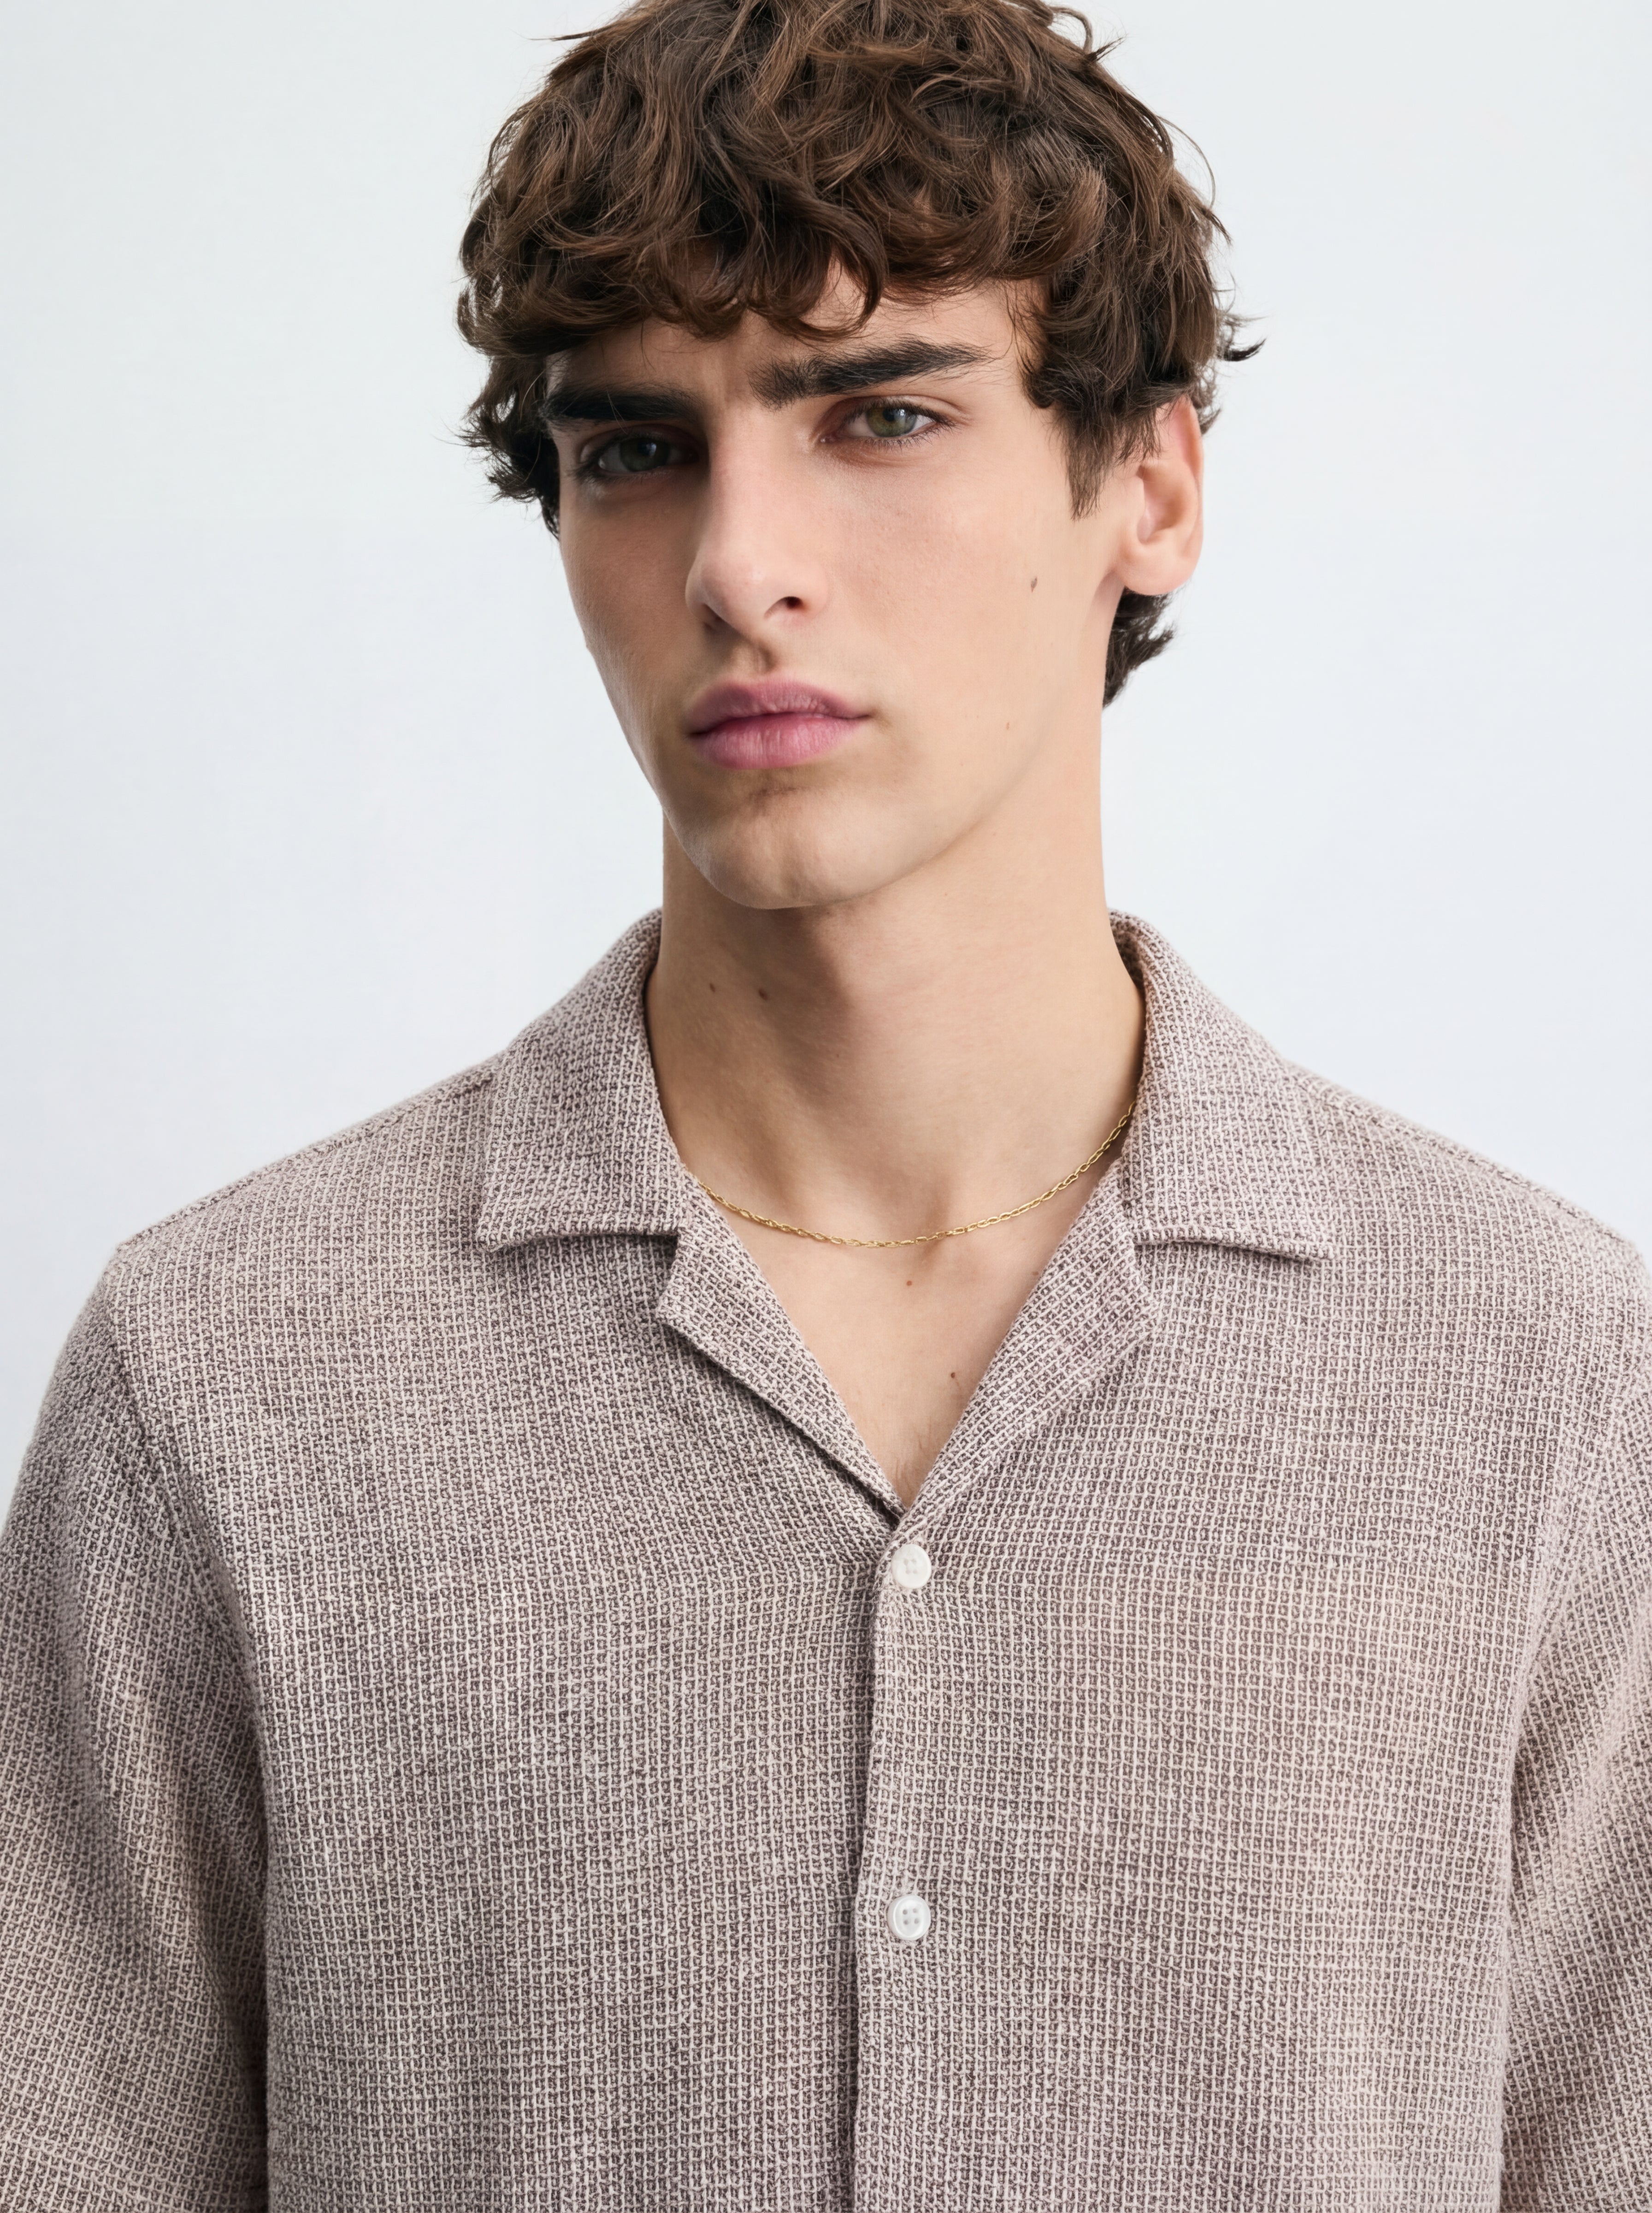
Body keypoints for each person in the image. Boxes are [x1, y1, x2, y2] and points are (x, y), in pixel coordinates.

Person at [2, 0, 1648, 2201]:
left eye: (875, 414)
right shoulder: (229, 1380)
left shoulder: (1537, 1385)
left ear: (1147, 488)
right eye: (634, 448)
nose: (733, 563)